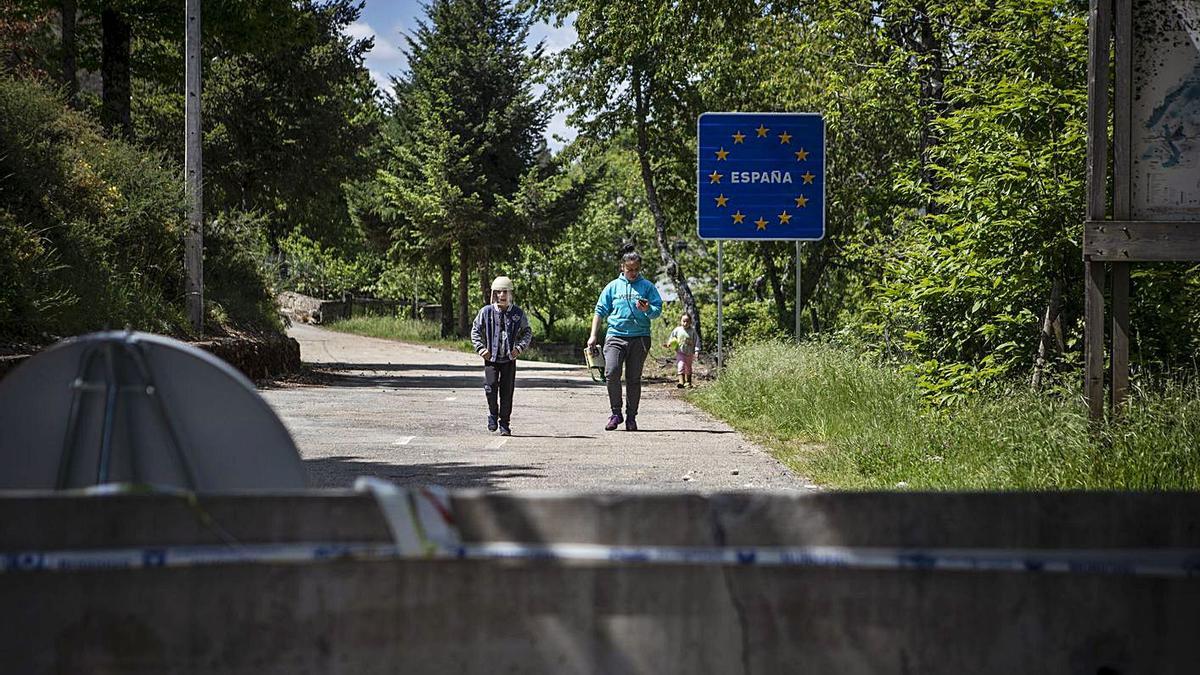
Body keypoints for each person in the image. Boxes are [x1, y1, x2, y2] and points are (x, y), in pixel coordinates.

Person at [587, 249, 663, 431]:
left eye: (636, 269)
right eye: (630, 269)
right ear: (622, 267)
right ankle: (615, 413)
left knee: (633, 378)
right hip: (615, 335)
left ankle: (631, 417)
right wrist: (593, 335)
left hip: (640, 338)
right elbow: (600, 311)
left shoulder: (647, 286)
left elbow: (657, 310)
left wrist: (647, 309)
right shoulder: (613, 287)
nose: (633, 273)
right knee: (612, 372)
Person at [470, 276, 532, 436]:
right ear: (494, 294)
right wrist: (481, 348)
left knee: (507, 391)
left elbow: (527, 332)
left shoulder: (518, 314)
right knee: (490, 387)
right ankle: (493, 413)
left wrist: (519, 348)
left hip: (509, 359)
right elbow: (475, 330)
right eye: (498, 292)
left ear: (510, 294)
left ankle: (504, 423)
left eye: (505, 292)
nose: (502, 295)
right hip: (491, 359)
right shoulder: (486, 312)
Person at [664, 311, 700, 389]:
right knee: (681, 366)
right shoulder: (677, 330)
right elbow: (672, 338)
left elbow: (697, 341)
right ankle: (681, 381)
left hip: (690, 353)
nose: (685, 323)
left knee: (688, 367)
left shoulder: (692, 331)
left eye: (687, 321)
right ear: (680, 321)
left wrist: (697, 350)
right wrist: (668, 344)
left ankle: (688, 382)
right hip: (680, 352)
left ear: (690, 322)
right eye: (683, 321)